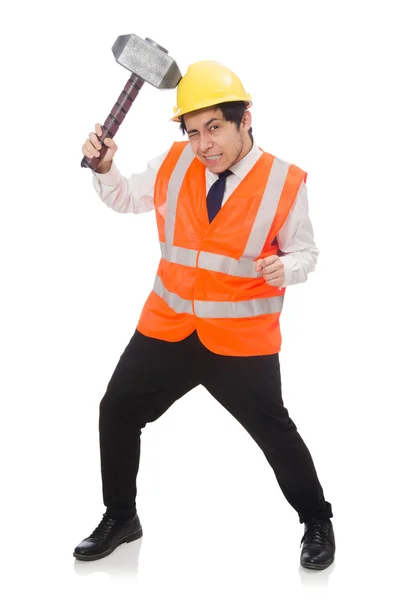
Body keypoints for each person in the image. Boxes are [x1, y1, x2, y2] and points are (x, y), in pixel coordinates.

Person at [74, 60, 335, 569]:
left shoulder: (285, 181)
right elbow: (128, 198)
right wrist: (106, 170)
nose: (203, 145)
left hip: (240, 339)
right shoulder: (175, 163)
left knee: (275, 432)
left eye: (214, 128)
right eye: (193, 132)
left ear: (245, 120)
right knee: (117, 411)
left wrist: (287, 268)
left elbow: (307, 252)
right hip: (168, 327)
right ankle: (121, 517)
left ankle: (317, 521)